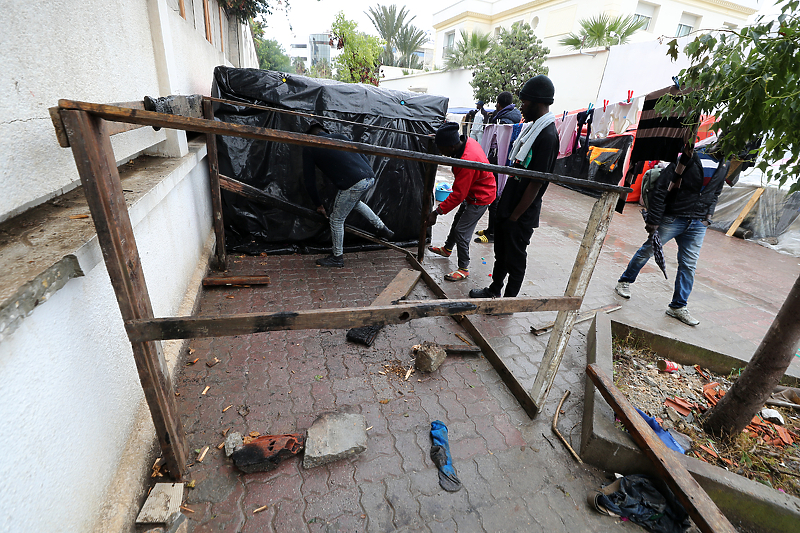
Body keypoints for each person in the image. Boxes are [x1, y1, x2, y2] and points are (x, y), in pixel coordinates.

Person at [469, 75, 559, 299]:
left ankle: (508, 302)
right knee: (501, 252)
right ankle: (494, 289)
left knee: (516, 257)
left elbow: (537, 182)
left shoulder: (547, 136)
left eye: (525, 102)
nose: (522, 107)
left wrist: (515, 217)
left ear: (537, 102)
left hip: (522, 212)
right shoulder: (532, 130)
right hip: (509, 204)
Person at [614, 148, 726, 325]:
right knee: (648, 251)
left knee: (689, 265)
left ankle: (678, 306)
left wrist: (708, 217)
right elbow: (661, 187)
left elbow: (715, 193)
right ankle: (624, 281)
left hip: (698, 223)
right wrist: (654, 219)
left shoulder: (724, 164)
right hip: (674, 217)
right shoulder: (689, 156)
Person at [303, 122, 394, 268]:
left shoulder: (310, 147)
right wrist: (365, 174)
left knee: (336, 219)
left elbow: (309, 181)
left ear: (309, 136)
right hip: (369, 177)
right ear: (324, 131)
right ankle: (383, 229)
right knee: (355, 202)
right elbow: (362, 156)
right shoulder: (340, 136)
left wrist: (318, 204)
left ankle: (337, 257)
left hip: (354, 182)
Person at [426, 123, 497, 281]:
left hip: (481, 197)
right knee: (457, 220)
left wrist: (437, 212)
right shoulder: (466, 142)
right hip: (473, 191)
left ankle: (463, 268)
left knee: (462, 232)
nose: (440, 152)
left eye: (441, 148)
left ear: (451, 147)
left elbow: (458, 195)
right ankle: (447, 249)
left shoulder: (467, 161)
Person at [475, 91, 523, 243]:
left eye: (496, 103)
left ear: (499, 104)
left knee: (495, 197)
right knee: (496, 196)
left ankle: (492, 234)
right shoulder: (513, 116)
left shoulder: (503, 120)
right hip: (504, 160)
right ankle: (491, 229)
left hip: (499, 162)